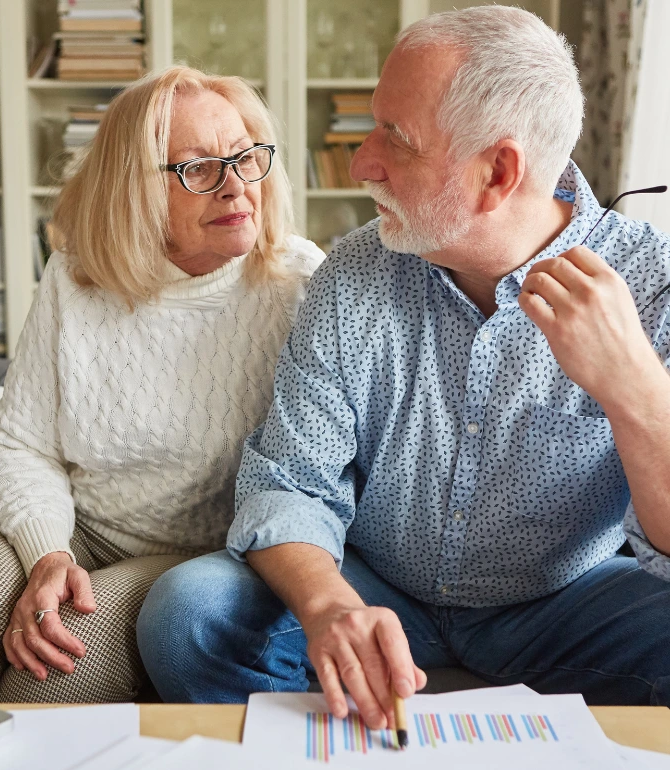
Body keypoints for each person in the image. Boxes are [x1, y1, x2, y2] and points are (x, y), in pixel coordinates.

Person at [137, 6, 670, 726]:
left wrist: (635, 389)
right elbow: (290, 483)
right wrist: (330, 607)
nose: (361, 164)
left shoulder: (653, 283)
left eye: (397, 138)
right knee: (187, 615)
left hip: (567, 602)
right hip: (378, 586)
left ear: (498, 173)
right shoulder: (355, 272)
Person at [0, 66, 324, 703]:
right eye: (196, 167)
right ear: (134, 189)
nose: (234, 186)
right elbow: (20, 444)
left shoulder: (302, 286)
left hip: (198, 557)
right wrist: (47, 555)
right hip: (77, 525)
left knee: (50, 674)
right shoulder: (76, 276)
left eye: (246, 157)